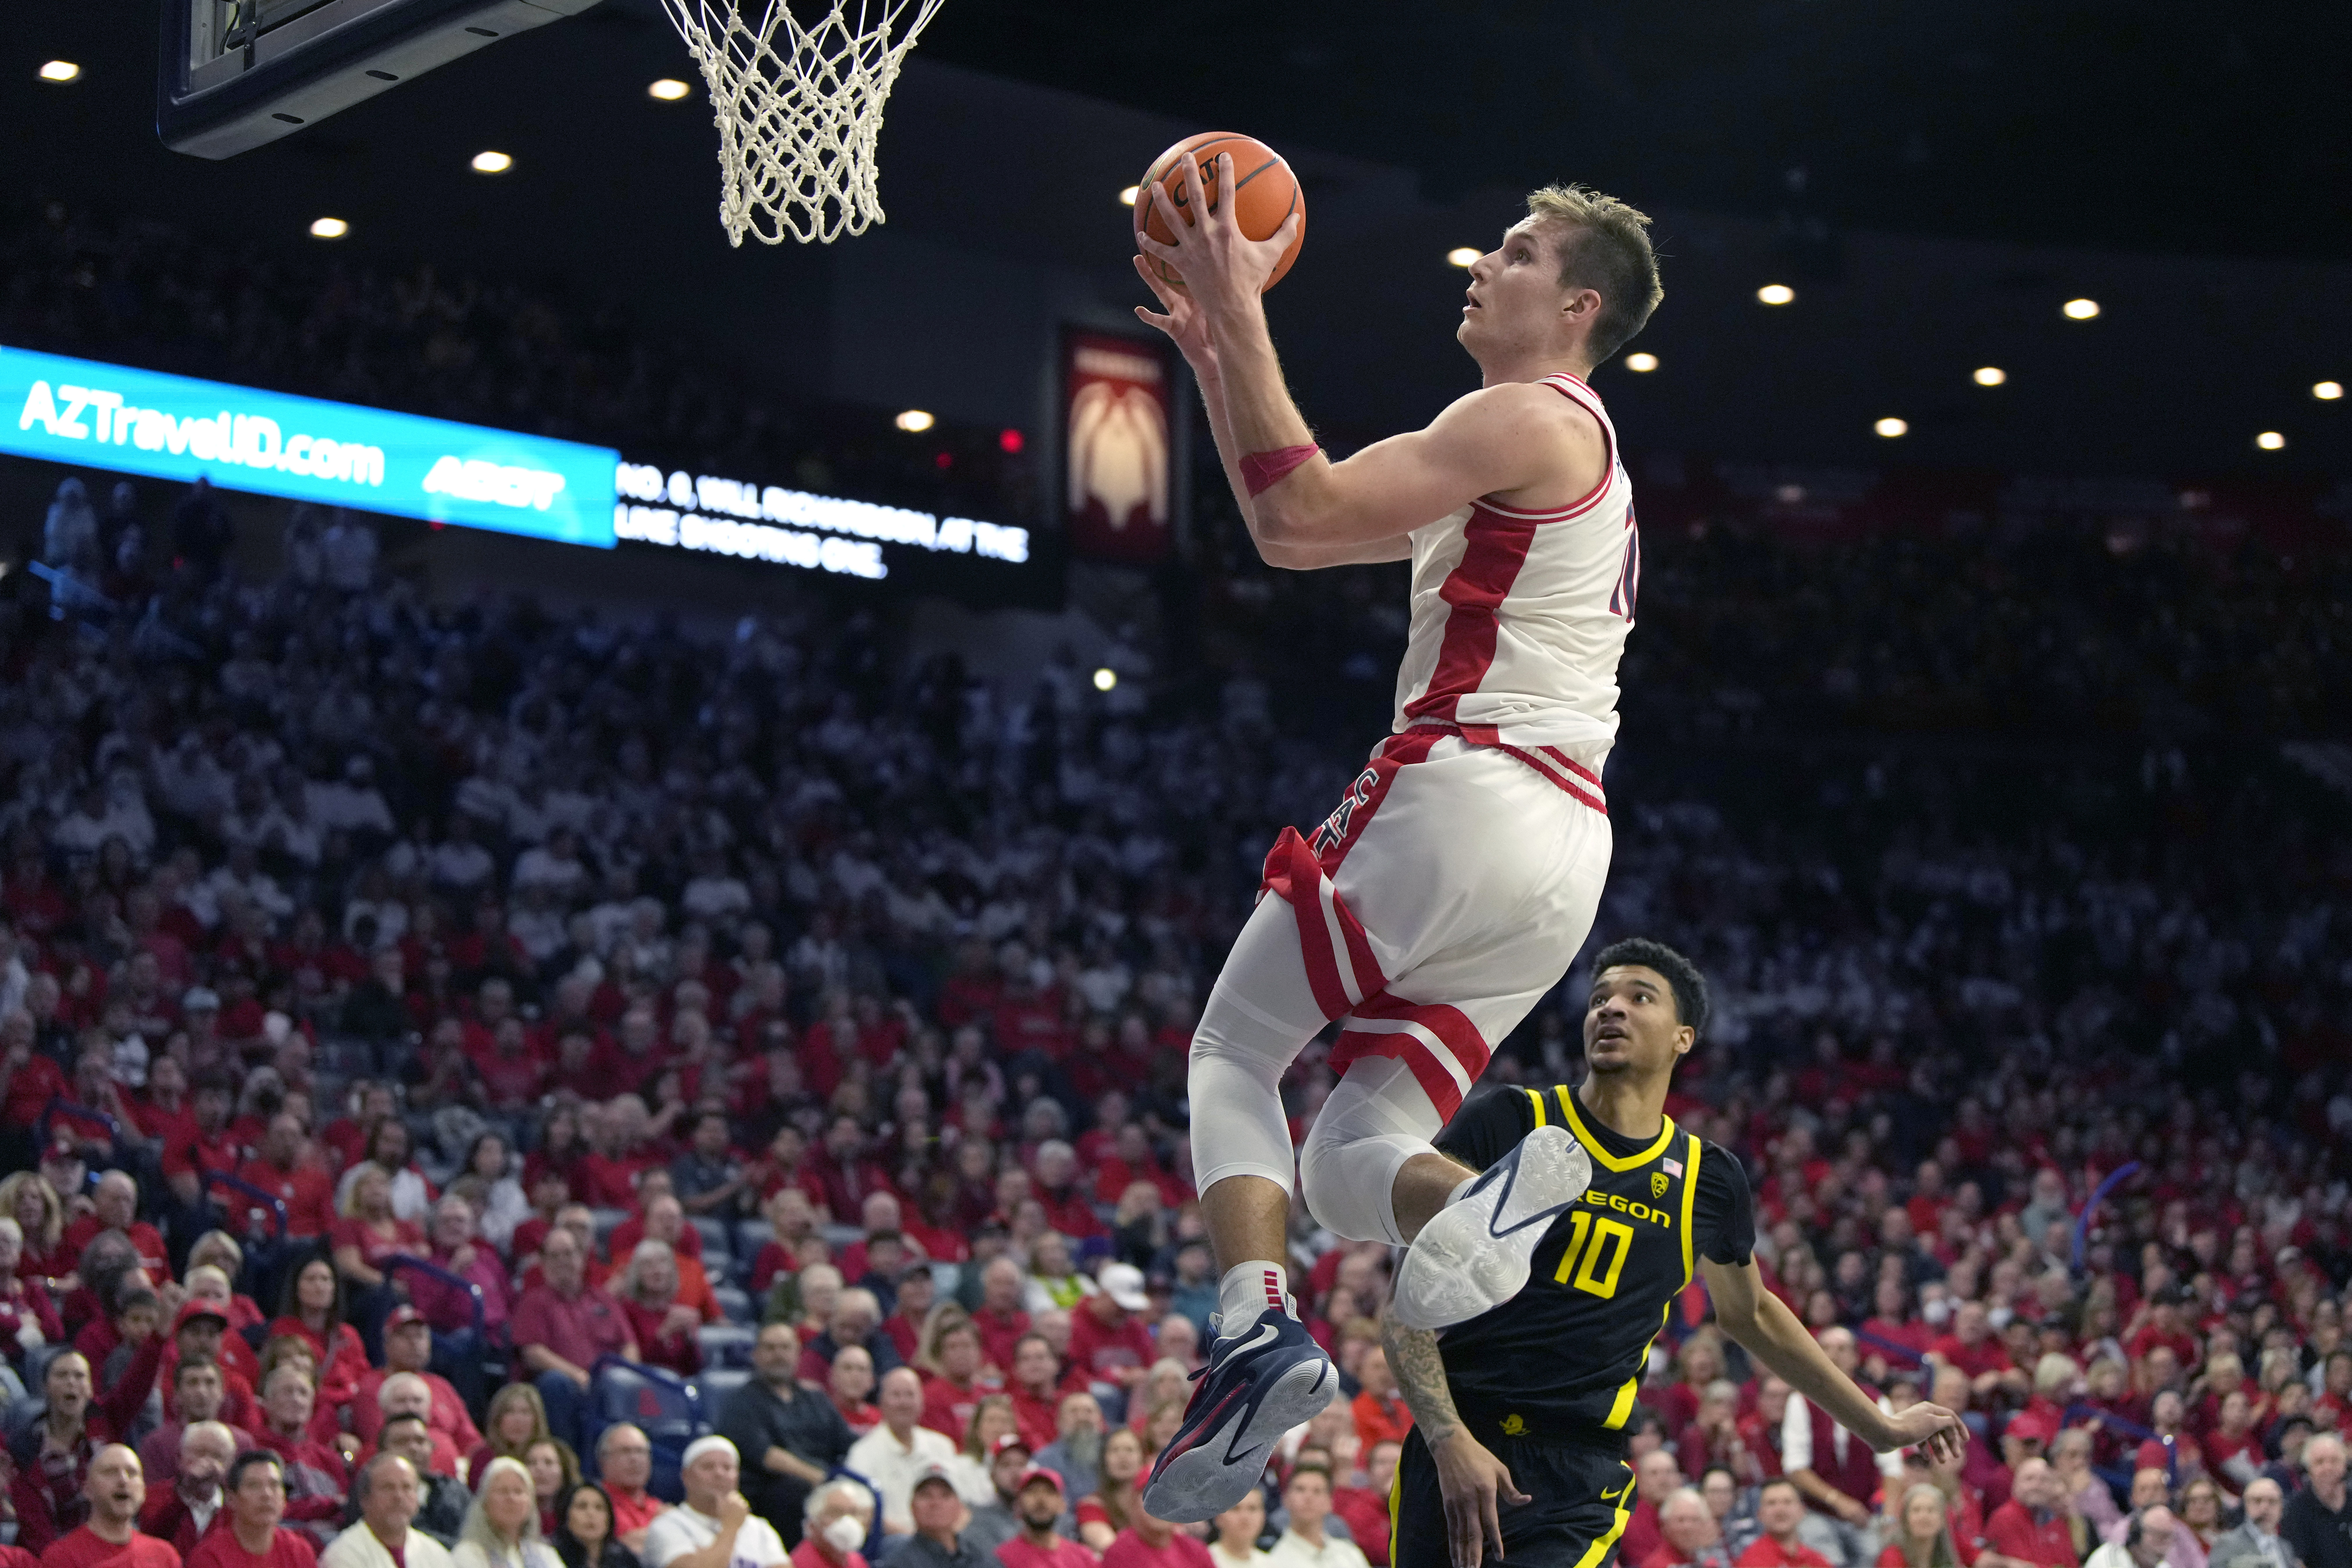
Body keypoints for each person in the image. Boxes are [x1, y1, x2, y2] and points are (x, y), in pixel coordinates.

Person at [1132, 159, 1663, 1524]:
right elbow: (1282, 522)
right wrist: (1212, 350)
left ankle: (1255, 1331)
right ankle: (1499, 1205)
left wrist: (1237, 297)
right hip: (1560, 859)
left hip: (1463, 789)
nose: (1479, 263)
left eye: (1516, 251)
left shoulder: (1526, 417)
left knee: (1231, 1052)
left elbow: (1297, 518)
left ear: (1578, 304)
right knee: (1346, 1150)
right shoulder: (1559, 451)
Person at [1379, 942, 1964, 1568]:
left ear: (1683, 1036)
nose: (1611, 1008)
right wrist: (1448, 1439)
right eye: (1600, 996)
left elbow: (1753, 1315)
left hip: (1578, 1470)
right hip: (1459, 1442)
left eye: (1638, 997)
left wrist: (1879, 1425)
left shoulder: (1706, 1178)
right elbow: (1405, 1309)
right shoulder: (1514, 1118)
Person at [11, 1347, 166, 1553]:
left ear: (91, 1388)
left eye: (79, 1375)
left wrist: (158, 1337)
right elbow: (36, 1531)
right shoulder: (25, 1448)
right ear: (45, 1387)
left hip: (113, 1544)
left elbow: (137, 1382)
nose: (72, 1382)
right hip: (56, 1556)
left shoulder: (106, 1421)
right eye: (62, 1375)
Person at [715, 1324, 855, 1548]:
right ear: (757, 1355)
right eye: (770, 1348)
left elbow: (849, 1444)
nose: (778, 1355)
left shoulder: (816, 1398)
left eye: (785, 1348)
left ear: (798, 1353)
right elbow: (768, 1456)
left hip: (823, 1485)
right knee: (793, 1489)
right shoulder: (741, 1402)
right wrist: (821, 1480)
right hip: (772, 1494)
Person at [511, 1229, 638, 1453]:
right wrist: (577, 1375)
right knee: (555, 1383)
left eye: (569, 1254)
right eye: (555, 1256)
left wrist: (624, 1374)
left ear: (581, 1258)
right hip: (566, 1384)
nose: (563, 1262)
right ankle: (569, 1463)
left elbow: (629, 1345)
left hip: (606, 1385)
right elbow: (533, 1352)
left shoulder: (603, 1299)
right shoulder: (534, 1302)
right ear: (543, 1263)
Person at [641, 1438, 791, 1568]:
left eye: (728, 1468)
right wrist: (730, 1527)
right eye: (708, 1467)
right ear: (686, 1477)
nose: (719, 1474)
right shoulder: (668, 1526)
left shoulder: (760, 1529)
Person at [846, 1370, 960, 1535]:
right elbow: (864, 1514)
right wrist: (916, 1539)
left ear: (922, 1402)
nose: (904, 1403)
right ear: (882, 1403)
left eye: (910, 1395)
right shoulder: (862, 1453)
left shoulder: (943, 1446)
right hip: (893, 1543)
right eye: (896, 1395)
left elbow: (962, 1504)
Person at [38, 1445, 181, 1568]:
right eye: (111, 1472)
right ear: (87, 1489)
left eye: (132, 1473)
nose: (123, 1481)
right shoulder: (62, 1558)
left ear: (144, 1490)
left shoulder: (165, 1557)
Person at [187, 1451, 321, 1568]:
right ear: (231, 1499)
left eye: (274, 1485)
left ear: (284, 1498)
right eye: (254, 1486)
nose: (267, 1494)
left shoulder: (299, 1551)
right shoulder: (210, 1557)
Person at [323, 1456, 457, 1568]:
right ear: (365, 1499)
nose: (399, 1497)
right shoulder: (343, 1555)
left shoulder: (436, 1553)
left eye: (407, 1488)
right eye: (388, 1488)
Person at [138, 1423, 238, 1558]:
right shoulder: (155, 1496)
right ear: (180, 1457)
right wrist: (185, 1495)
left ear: (230, 1464)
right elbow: (151, 1535)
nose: (208, 1464)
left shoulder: (237, 1506)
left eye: (217, 1457)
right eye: (200, 1454)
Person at [370, 1414, 470, 1545]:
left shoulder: (455, 1491)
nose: (414, 1449)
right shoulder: (370, 1492)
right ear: (382, 1452)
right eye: (402, 1442)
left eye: (420, 1441)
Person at [451, 1458, 563, 1568]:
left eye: (519, 1492)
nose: (511, 1499)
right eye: (503, 1491)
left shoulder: (546, 1555)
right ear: (485, 1503)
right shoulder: (468, 1554)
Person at [875, 1466, 983, 1568]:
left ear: (960, 1506)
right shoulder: (898, 1560)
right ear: (912, 1506)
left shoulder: (979, 1554)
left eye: (945, 1495)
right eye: (926, 1495)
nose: (936, 1503)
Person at [1266, 1463, 1368, 1568]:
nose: (1308, 1497)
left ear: (1330, 1502)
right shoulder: (1273, 1562)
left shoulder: (1350, 1553)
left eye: (1317, 1491)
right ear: (1286, 1499)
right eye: (1300, 1489)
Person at [954, 1435, 1034, 1563]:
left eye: (1021, 1464)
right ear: (992, 1474)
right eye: (1006, 1465)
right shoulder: (976, 1519)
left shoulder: (1043, 1517)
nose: (1015, 1472)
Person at [1983, 1460, 2076, 1568]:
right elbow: (2024, 1563)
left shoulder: (2055, 1521)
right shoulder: (2004, 1519)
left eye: (2044, 1480)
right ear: (2015, 1484)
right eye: (2029, 1479)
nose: (2037, 1485)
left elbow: (2071, 1563)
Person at [1000, 1467, 1092, 1568]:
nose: (1041, 1500)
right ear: (1018, 1505)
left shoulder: (1083, 1557)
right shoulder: (1003, 1559)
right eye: (1032, 1491)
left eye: (1049, 1492)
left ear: (1062, 1505)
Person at [2283, 1435, 2352, 1568]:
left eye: (2335, 1461)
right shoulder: (2296, 1510)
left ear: (2345, 1465)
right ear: (2309, 1469)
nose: (2328, 1468)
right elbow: (2297, 1562)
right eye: (2320, 1462)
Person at [591, 1427, 664, 1554]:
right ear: (603, 1462)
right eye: (625, 1452)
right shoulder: (593, 1503)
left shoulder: (661, 1509)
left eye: (640, 1452)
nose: (634, 1459)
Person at [1076, 1428, 1148, 1554]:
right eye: (1115, 1450)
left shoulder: (1158, 1502)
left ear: (1142, 1458)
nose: (1123, 1457)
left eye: (1130, 1450)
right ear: (1104, 1460)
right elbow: (1112, 1550)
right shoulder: (1091, 1505)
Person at [1734, 1481, 1831, 1568]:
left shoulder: (1817, 1560)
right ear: (1760, 1514)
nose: (1780, 1511)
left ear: (1802, 1511)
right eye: (1772, 1503)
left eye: (1787, 1502)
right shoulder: (1752, 1561)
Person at [1100, 1496, 1214, 1568]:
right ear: (1134, 1504)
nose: (1160, 1505)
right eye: (1151, 1496)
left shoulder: (1196, 1550)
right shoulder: (1120, 1552)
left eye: (1168, 1495)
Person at [2208, 1479, 2299, 1568]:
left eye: (2272, 1501)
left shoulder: (2285, 1548)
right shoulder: (2227, 1544)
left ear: (2281, 1508)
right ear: (2247, 1505)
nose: (2265, 1508)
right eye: (2258, 1501)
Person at [551, 1484, 643, 1568]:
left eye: (599, 1508)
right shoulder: (551, 1557)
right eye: (582, 1507)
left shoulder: (625, 1559)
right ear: (566, 1515)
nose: (591, 1514)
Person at [790, 1481, 874, 1568]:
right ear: (813, 1523)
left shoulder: (855, 1559)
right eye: (836, 1513)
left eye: (854, 1513)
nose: (848, 1521)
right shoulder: (802, 1563)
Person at [1875, 1485, 1962, 1568]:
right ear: (1905, 1520)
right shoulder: (1892, 1556)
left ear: (1943, 1520)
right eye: (1916, 1510)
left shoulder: (1946, 1555)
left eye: (1931, 1510)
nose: (1924, 1517)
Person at [1648, 1487, 1734, 1568]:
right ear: (1665, 1526)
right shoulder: (1658, 1565)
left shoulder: (1709, 1560)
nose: (1688, 1528)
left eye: (1695, 1520)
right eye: (1681, 1520)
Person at [524, 1443, 582, 1542]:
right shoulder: (517, 1518)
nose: (540, 1469)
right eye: (532, 1463)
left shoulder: (577, 1516)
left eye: (549, 1463)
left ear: (565, 1471)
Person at [2088, 1512, 2186, 1568]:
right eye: (2157, 1535)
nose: (2164, 1543)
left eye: (2168, 1536)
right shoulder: (2110, 1558)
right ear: (2137, 1534)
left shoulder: (2164, 1566)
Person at [1208, 1486, 1274, 1568]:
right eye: (1235, 1509)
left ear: (1264, 1516)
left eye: (1253, 1509)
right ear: (1218, 1517)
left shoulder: (1271, 1564)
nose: (1245, 1517)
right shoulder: (1204, 1561)